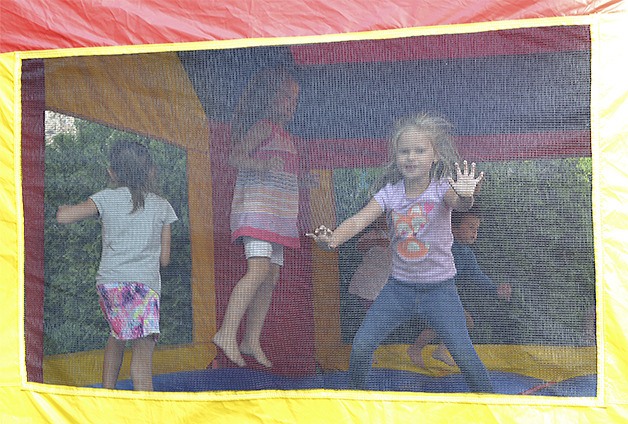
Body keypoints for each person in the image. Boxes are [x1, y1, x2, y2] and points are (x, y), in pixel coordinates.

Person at [308, 112, 493, 392]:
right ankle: (356, 400)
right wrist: (332, 239)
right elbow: (359, 220)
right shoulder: (390, 194)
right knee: (361, 345)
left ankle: (490, 407)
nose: (411, 157)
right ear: (396, 157)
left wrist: (467, 194)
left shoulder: (442, 189)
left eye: (419, 151)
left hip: (440, 291)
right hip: (399, 290)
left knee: (465, 354)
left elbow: (461, 203)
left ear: (434, 156)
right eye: (404, 151)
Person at [56, 140, 178, 391]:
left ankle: (107, 393)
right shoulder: (162, 206)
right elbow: (164, 260)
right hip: (144, 286)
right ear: (151, 171)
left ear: (112, 172)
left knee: (118, 334)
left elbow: (63, 217)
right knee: (142, 354)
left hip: (111, 285)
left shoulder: (105, 199)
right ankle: (147, 413)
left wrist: (64, 208)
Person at [212, 66, 301, 368]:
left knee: (271, 275)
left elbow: (282, 173)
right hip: (259, 214)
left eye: (293, 100)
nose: (289, 105)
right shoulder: (263, 127)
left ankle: (251, 338)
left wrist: (302, 181)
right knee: (258, 270)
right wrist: (262, 166)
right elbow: (235, 157)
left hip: (277, 218)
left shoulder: (286, 136)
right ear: (269, 100)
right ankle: (226, 332)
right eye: (284, 97)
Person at [407, 207, 512, 368]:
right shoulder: (443, 245)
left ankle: (440, 350)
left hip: (445, 295)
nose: (474, 233)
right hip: (430, 292)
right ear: (453, 228)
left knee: (465, 322)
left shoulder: (467, 254)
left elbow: (476, 275)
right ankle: (415, 349)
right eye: (470, 227)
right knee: (447, 324)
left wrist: (494, 289)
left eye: (476, 229)